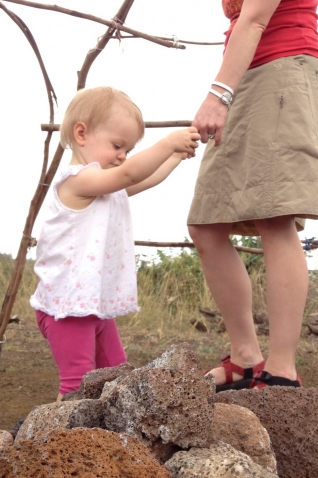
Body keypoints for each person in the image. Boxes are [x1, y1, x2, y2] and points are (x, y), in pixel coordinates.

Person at [188, 0, 318, 390]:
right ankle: (245, 355)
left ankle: (283, 367)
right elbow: (236, 29)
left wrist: (217, 93)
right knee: (205, 222)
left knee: (275, 217)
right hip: (245, 77)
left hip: (287, 72)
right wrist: (228, 86)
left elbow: (255, 19)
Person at [30, 86, 200, 400]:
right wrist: (167, 143)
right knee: (76, 386)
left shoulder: (107, 185)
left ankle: (108, 439)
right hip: (67, 310)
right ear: (82, 133)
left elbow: (140, 178)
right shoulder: (78, 181)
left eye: (128, 150)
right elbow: (128, 174)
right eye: (117, 145)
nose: (123, 156)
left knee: (118, 375)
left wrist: (174, 156)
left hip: (95, 306)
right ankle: (65, 441)